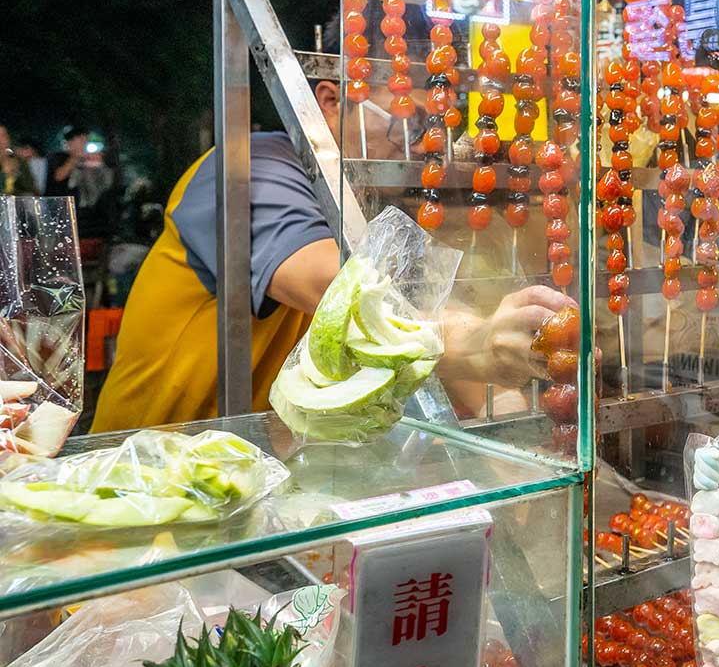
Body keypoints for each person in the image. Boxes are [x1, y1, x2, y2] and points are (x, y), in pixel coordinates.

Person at [92, 77, 572, 432]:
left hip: (258, 464)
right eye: (407, 128)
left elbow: (421, 302)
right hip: (151, 456)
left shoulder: (364, 205)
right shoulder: (250, 169)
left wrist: (505, 416)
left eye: (432, 135)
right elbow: (339, 293)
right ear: (331, 100)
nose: (421, 151)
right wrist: (479, 342)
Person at [45, 126, 88, 198]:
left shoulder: (84, 160)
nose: (84, 143)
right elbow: (59, 176)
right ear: (70, 141)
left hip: (79, 202)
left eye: (86, 140)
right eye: (81, 140)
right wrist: (75, 157)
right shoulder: (56, 157)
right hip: (60, 201)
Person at [0, 126, 37, 196]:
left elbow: (30, 187)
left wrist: (16, 173)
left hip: (16, 202)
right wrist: (4, 174)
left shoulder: (18, 160)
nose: (2, 139)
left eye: (4, 135)